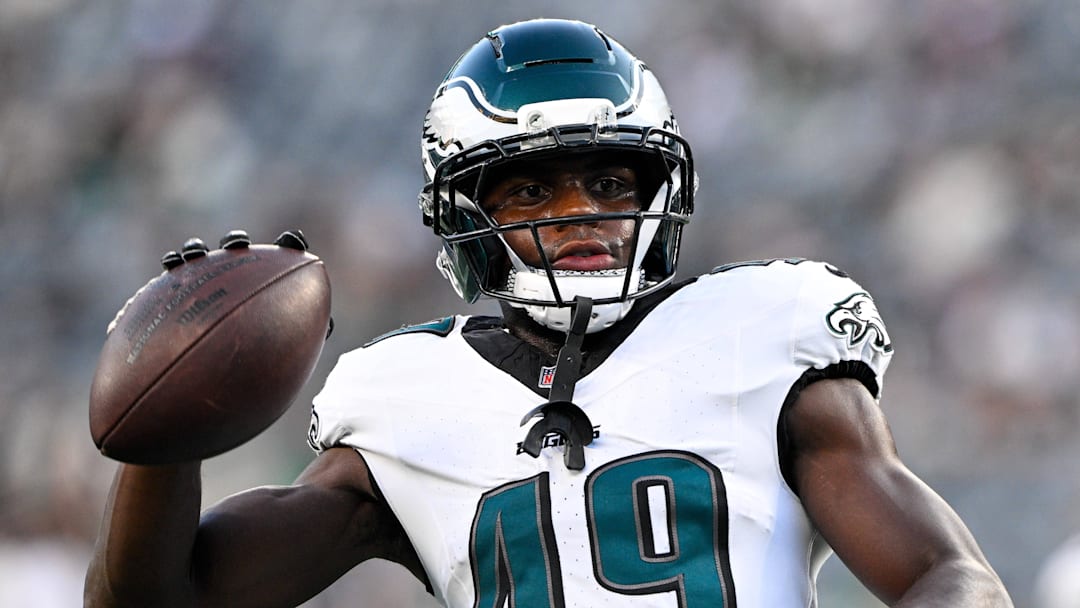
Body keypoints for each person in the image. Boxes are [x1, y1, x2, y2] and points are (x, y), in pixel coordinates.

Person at [84, 18, 1013, 608]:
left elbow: (949, 573)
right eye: (531, 190)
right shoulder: (403, 399)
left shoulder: (765, 332)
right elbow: (166, 598)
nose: (583, 214)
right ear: (470, 218)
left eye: (611, 180)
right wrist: (167, 441)